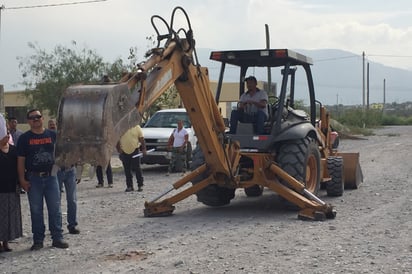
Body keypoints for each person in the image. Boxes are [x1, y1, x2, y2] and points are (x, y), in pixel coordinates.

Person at [17, 109, 69, 250]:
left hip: (51, 177)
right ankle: (38, 240)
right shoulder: (24, 138)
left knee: (55, 209)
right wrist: (22, 179)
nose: (35, 119)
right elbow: (21, 160)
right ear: (28, 121)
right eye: (32, 118)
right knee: (36, 210)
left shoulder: (53, 135)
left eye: (38, 117)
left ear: (42, 118)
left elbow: (62, 153)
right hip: (33, 179)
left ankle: (57, 238)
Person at [0, 114, 23, 252]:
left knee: (9, 216)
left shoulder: (14, 150)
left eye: (8, 134)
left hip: (11, 188)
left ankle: (6, 241)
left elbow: (19, 166)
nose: (7, 136)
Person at [116, 125, 147, 192]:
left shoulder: (137, 127)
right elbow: (117, 139)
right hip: (124, 151)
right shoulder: (121, 127)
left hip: (135, 150)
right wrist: (119, 149)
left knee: (137, 168)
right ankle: (129, 186)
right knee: (127, 169)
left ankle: (140, 185)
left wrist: (144, 149)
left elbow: (141, 138)